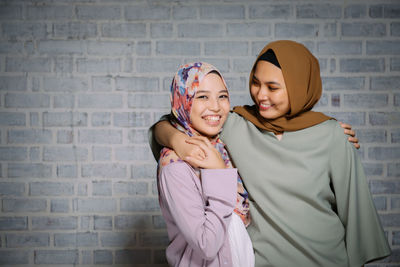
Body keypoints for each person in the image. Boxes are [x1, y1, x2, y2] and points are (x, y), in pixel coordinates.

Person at [150, 40, 391, 267]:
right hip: (261, 260)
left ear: (298, 87)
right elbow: (175, 120)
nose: (260, 95)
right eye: (256, 83)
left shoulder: (332, 135)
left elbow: (357, 216)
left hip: (328, 259)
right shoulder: (236, 125)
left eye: (272, 87)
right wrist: (177, 139)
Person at [157, 62, 254, 267]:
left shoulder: (224, 145)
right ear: (182, 101)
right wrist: (219, 173)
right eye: (202, 96)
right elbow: (206, 245)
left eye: (222, 96)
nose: (216, 106)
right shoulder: (175, 166)